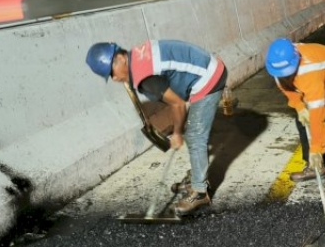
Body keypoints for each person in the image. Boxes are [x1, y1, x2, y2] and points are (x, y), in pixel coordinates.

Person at [86, 39, 227, 215]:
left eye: (111, 72)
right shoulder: (136, 57)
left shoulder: (144, 77)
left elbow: (178, 104)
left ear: (121, 57)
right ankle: (199, 178)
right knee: (192, 132)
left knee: (195, 135)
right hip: (206, 66)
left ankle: (200, 192)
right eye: (110, 76)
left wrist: (176, 133)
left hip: (209, 78)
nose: (114, 78)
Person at [265, 38, 325, 199]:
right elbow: (286, 87)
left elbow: (318, 115)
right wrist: (299, 107)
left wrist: (317, 148)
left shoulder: (309, 69)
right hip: (311, 80)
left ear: (295, 62)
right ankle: (316, 166)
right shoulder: (277, 65)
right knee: (302, 121)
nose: (284, 75)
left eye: (288, 72)